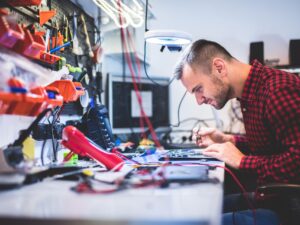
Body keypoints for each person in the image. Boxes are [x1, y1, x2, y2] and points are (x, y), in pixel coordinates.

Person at [173, 39, 300, 225]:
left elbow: (296, 161)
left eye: (198, 89)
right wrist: (227, 139)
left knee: (196, 220)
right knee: (198, 208)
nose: (199, 101)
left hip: (289, 205)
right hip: (273, 197)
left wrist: (242, 161)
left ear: (219, 67)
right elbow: (273, 144)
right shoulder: (251, 94)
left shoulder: (277, 90)